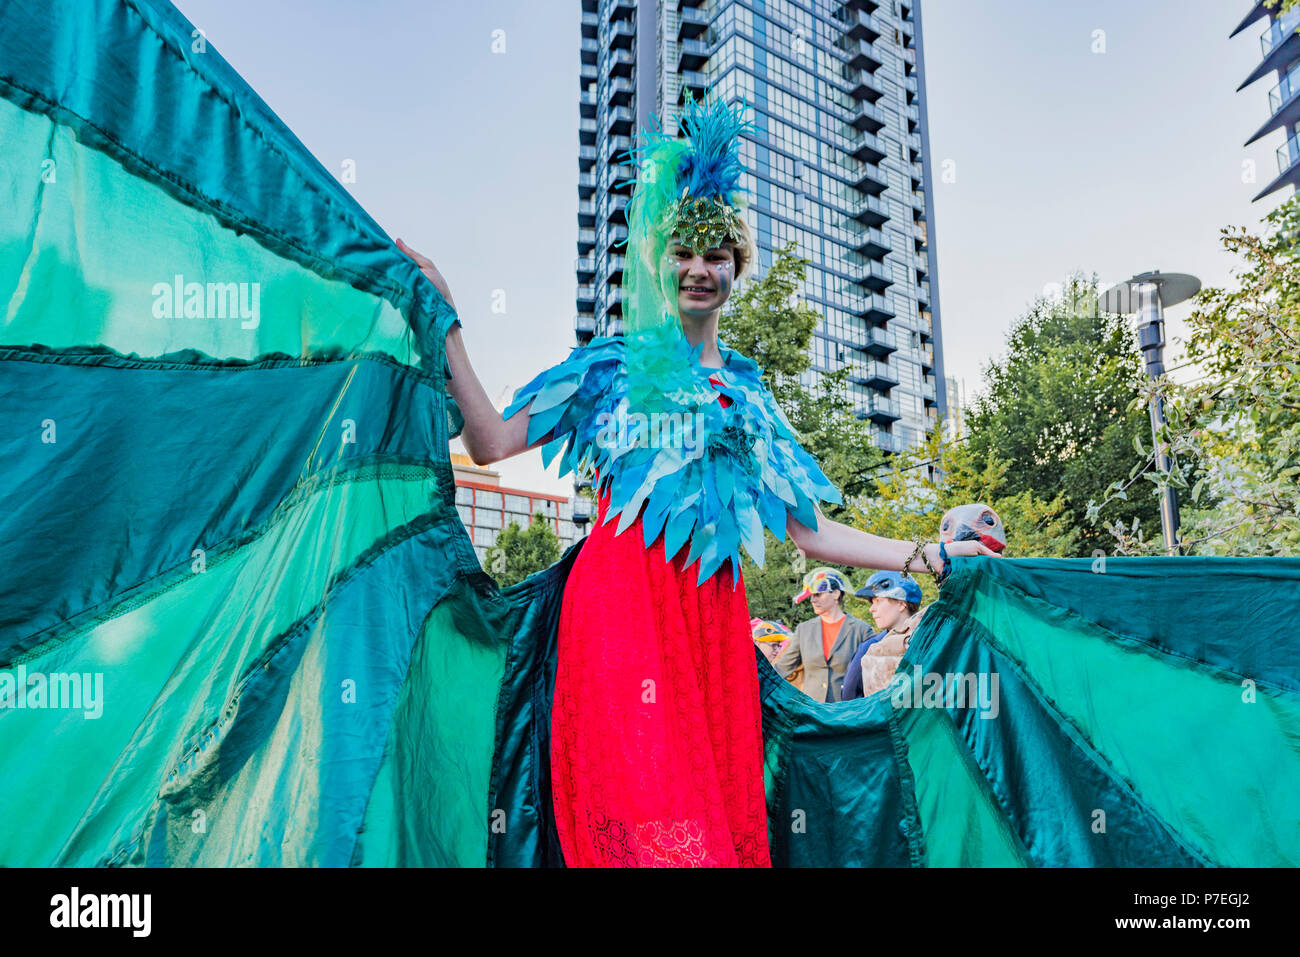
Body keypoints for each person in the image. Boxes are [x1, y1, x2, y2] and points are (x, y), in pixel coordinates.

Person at [396, 95, 999, 867]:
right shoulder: (611, 368)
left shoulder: (749, 396)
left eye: (716, 255)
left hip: (710, 630)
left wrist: (923, 554)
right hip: (618, 616)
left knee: (712, 833)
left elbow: (809, 530)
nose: (698, 268)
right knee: (653, 834)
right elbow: (490, 440)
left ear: (735, 269)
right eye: (683, 251)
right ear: (661, 262)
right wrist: (446, 321)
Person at [773, 568, 876, 702]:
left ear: (836, 594)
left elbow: (874, 672)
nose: (812, 600)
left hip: (847, 712)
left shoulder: (861, 630)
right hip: (812, 712)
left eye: (817, 594)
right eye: (811, 596)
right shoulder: (803, 630)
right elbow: (782, 668)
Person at [842, 571, 923, 700]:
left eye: (878, 601)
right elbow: (849, 697)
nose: (871, 609)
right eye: (872, 603)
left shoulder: (930, 640)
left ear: (901, 603)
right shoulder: (869, 647)